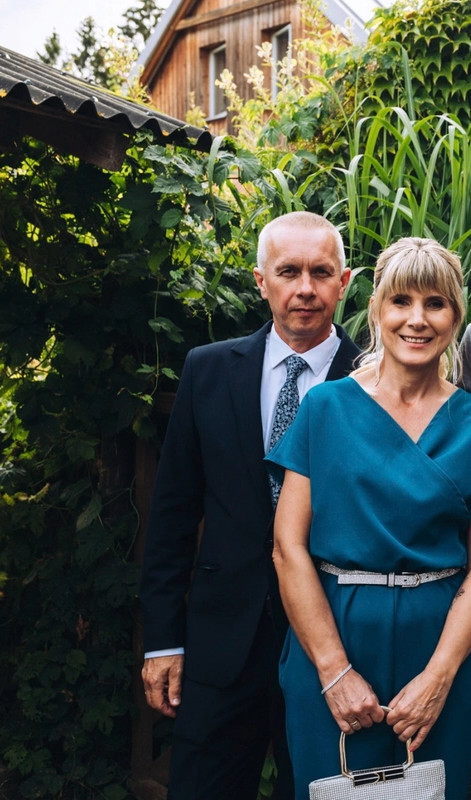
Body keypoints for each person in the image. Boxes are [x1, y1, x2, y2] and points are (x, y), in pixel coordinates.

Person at [265, 237, 471, 800]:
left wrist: (440, 676)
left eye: (435, 303)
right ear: (376, 309)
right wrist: (333, 670)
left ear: (456, 316)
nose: (417, 319)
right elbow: (287, 546)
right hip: (334, 633)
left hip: (441, 642)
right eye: (401, 301)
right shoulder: (324, 407)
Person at [139, 211, 360, 800]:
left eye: (321, 272)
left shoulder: (377, 377)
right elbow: (172, 516)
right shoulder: (208, 369)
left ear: (343, 282)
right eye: (288, 272)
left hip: (337, 645)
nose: (305, 288)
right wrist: (164, 641)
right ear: (261, 281)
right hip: (221, 642)